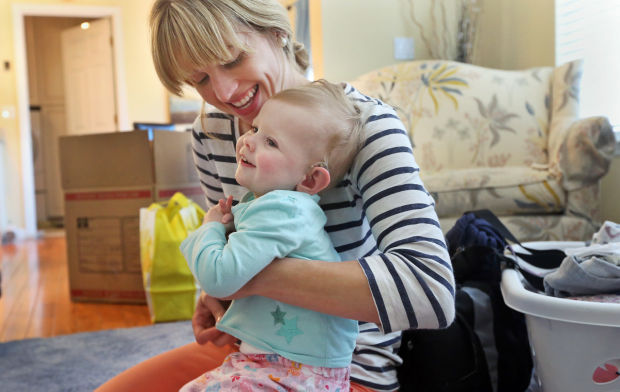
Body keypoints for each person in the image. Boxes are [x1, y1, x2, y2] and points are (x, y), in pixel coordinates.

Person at [97, 1, 455, 391]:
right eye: (199, 79)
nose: (223, 92)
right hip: (247, 351)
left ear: (277, 32)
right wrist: (215, 295)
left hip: (341, 370)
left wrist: (240, 278)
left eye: (233, 59)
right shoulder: (212, 132)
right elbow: (234, 245)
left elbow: (430, 291)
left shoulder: (365, 126)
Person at [179, 79, 362, 391]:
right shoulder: (276, 206)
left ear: (310, 178)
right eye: (255, 130)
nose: (248, 142)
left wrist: (209, 226)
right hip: (285, 361)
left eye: (271, 143)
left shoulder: (282, 210)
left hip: (296, 369)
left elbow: (219, 277)